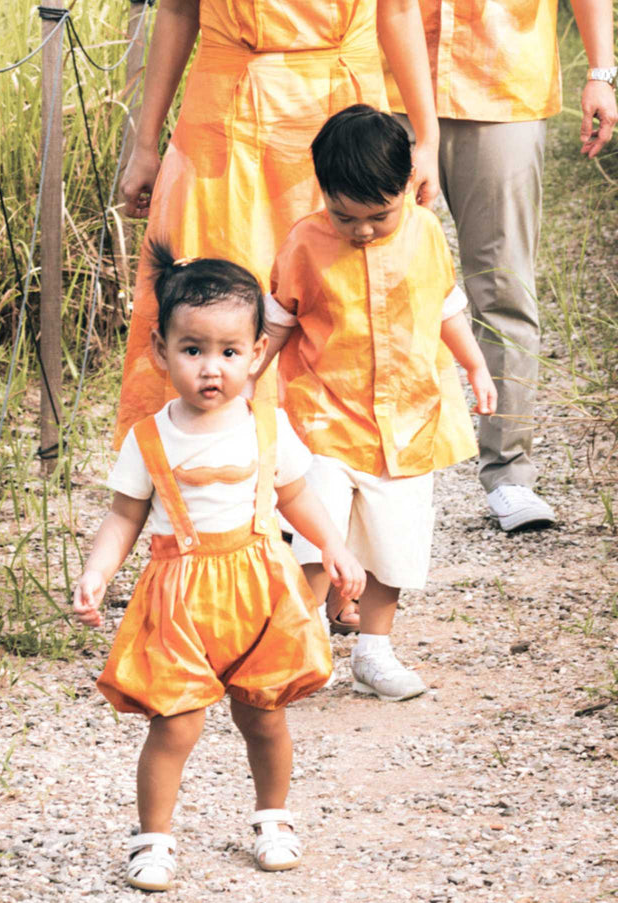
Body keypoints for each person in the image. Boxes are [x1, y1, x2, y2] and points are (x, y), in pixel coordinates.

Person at [73, 244, 366, 891]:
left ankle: (273, 817)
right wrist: (98, 571)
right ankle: (153, 838)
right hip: (177, 595)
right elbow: (123, 517)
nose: (212, 368)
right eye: (193, 349)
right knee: (174, 722)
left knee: (263, 714)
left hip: (259, 585)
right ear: (160, 349)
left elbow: (295, 496)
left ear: (257, 354)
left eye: (230, 352)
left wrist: (335, 547)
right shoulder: (150, 436)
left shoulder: (267, 426)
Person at [113, 0, 442, 447]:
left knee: (340, 302)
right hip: (222, 123)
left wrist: (427, 138)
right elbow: (175, 10)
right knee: (211, 302)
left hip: (343, 127)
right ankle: (199, 468)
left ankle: (324, 482)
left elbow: (400, 12)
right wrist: (145, 144)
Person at [255, 106, 498, 701]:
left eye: (378, 216)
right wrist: (245, 385)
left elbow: (444, 306)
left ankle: (374, 652)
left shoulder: (425, 233)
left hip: (411, 420)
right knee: (317, 536)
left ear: (407, 186)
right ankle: (306, 646)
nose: (361, 230)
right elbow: (278, 320)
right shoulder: (305, 243)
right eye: (345, 216)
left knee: (395, 544)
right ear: (324, 195)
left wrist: (474, 364)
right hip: (324, 416)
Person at [383, 0, 617, 531]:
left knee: (503, 287)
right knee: (376, 283)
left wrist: (602, 73)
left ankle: (510, 475)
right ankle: (374, 469)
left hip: (503, 82)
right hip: (384, 80)